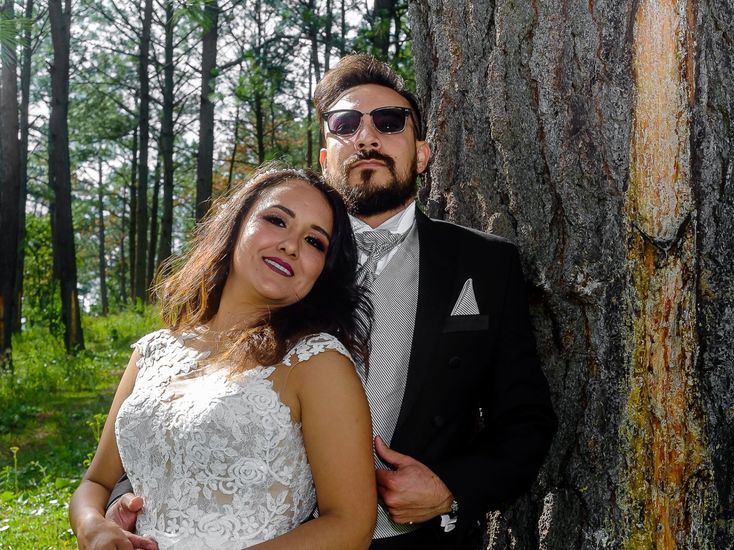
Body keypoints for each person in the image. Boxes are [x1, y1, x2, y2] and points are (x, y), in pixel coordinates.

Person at [107, 53, 557, 549]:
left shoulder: (485, 265)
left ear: (422, 154)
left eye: (389, 122)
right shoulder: (283, 263)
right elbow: (187, 396)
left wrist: (452, 489)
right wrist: (127, 497)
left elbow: (525, 418)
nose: (367, 137)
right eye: (345, 124)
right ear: (325, 157)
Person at [69, 166, 377, 550]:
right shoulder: (152, 351)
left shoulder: (316, 362)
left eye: (315, 241)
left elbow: (352, 525)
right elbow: (96, 483)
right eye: (277, 220)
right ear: (236, 223)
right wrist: (92, 527)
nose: (291, 245)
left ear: (322, 271)